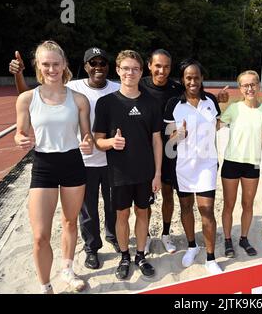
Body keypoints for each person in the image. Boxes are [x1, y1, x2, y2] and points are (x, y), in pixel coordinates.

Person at [9, 48, 121, 270]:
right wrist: (18, 74)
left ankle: (113, 237)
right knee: (86, 212)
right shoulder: (72, 88)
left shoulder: (118, 88)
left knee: (112, 206)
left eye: (102, 62)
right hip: (82, 160)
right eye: (93, 63)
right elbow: (33, 96)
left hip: (111, 157)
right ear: (85, 66)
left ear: (108, 66)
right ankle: (91, 249)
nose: (98, 67)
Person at [14, 40, 93, 293]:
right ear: (38, 66)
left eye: (55, 64)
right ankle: (45, 285)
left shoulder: (79, 99)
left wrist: (89, 142)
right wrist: (20, 138)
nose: (51, 69)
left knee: (71, 222)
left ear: (64, 65)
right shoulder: (27, 99)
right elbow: (20, 133)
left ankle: (68, 270)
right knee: (40, 236)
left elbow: (87, 135)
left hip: (72, 163)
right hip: (43, 165)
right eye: (45, 64)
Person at [140, 49, 229, 255]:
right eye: (158, 66)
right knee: (151, 199)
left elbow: (203, 104)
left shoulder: (179, 90)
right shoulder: (142, 85)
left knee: (186, 203)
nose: (162, 70)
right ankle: (147, 237)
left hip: (186, 158)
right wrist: (179, 135)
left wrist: (218, 99)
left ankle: (167, 234)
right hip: (154, 152)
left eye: (166, 66)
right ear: (150, 66)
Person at [93, 50, 162, 280]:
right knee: (121, 216)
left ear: (141, 71)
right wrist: (111, 142)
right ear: (118, 70)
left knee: (143, 213)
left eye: (135, 69)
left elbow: (156, 140)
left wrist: (157, 174)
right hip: (119, 173)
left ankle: (140, 255)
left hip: (145, 172)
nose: (130, 73)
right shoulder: (106, 103)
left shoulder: (151, 103)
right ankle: (125, 256)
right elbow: (98, 141)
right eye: (125, 68)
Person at [164, 59, 223, 274]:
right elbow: (167, 140)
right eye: (188, 77)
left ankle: (210, 257)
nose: (192, 81)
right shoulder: (173, 104)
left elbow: (217, 125)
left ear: (202, 78)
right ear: (183, 79)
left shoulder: (212, 101)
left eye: (196, 77)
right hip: (183, 166)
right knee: (186, 208)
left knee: (206, 209)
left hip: (207, 164)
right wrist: (177, 135)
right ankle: (192, 246)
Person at [220, 70, 262, 258]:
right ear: (240, 88)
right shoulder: (234, 109)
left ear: (258, 86)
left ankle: (244, 238)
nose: (250, 88)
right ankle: (227, 240)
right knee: (229, 205)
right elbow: (214, 126)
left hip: (252, 165)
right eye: (245, 85)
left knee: (247, 204)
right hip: (231, 162)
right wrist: (217, 104)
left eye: (253, 84)